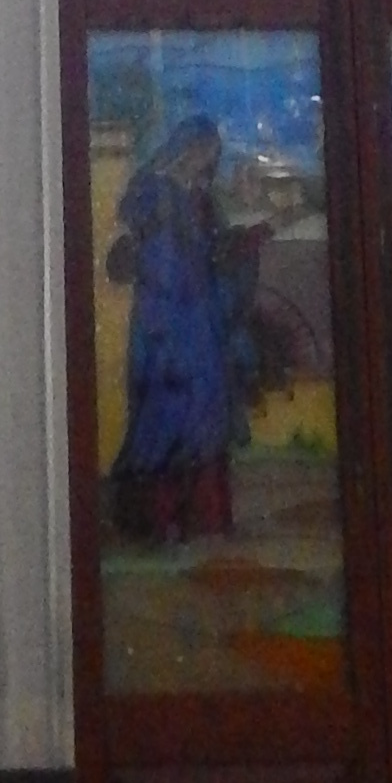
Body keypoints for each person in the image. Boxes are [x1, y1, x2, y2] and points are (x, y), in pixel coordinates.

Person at [103, 113, 267, 542]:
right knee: (163, 416)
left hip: (200, 324)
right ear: (185, 149)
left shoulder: (201, 202)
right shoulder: (152, 193)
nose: (207, 161)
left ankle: (202, 519)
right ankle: (157, 521)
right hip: (165, 323)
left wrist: (242, 245)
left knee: (205, 413)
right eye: (203, 152)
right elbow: (153, 258)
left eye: (212, 154)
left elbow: (214, 255)